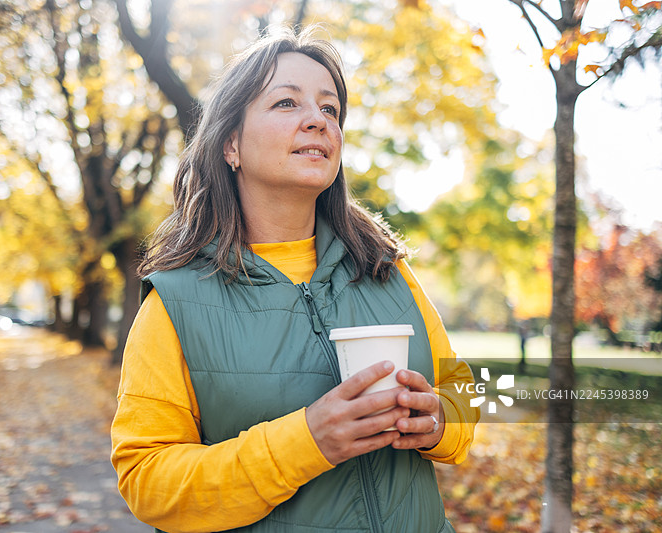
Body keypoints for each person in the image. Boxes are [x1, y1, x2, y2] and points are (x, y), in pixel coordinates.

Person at [111, 26, 480, 533]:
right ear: (230, 145)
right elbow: (147, 481)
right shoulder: (177, 301)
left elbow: (463, 390)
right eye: (287, 103)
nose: (317, 121)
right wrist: (307, 442)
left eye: (330, 109)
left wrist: (439, 420)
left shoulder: (386, 271)